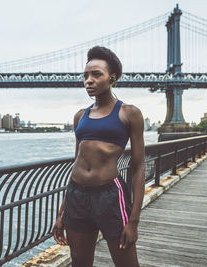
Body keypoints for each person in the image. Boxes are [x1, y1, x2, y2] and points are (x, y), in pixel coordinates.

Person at [52, 46, 145, 267]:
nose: (88, 81)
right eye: (85, 76)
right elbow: (77, 162)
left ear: (112, 78)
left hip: (109, 197)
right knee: (80, 262)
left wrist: (133, 221)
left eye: (96, 74)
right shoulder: (80, 116)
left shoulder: (129, 113)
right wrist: (61, 213)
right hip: (76, 195)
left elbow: (139, 166)